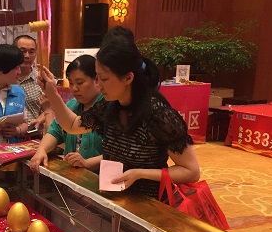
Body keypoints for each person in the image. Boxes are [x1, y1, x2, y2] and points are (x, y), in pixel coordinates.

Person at [37, 36, 200, 199]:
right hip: (115, 200)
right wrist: (51, 91)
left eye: (104, 79)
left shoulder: (158, 115)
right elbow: (72, 125)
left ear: (128, 78)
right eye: (97, 78)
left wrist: (140, 173)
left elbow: (191, 171)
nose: (99, 85)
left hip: (148, 204)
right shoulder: (110, 106)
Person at [30, 55, 104, 172]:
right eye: (71, 83)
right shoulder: (72, 105)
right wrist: (41, 150)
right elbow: (56, 130)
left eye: (80, 82)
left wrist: (87, 163)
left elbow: (118, 153)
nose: (74, 88)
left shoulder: (110, 106)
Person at [13, 35, 47, 130]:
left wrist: (40, 119)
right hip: (9, 134)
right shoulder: (5, 78)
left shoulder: (42, 79)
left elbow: (52, 107)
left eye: (31, 52)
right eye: (22, 51)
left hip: (34, 133)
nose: (27, 56)